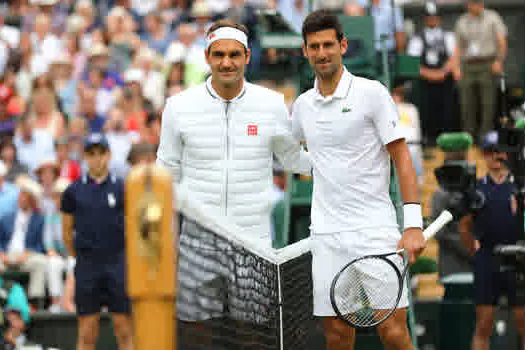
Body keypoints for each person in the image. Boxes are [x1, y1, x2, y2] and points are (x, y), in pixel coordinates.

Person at [291, 10, 425, 350]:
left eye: (328, 45)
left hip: (375, 232)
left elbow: (402, 159)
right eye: (314, 47)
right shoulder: (302, 106)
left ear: (342, 45)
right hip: (326, 236)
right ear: (305, 51)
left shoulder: (372, 93)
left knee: (394, 334)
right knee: (336, 337)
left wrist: (412, 225)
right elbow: (293, 154)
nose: (321, 53)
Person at [157, 19, 311, 238]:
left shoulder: (271, 104)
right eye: (219, 55)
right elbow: (165, 173)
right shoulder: (178, 106)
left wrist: (343, 160)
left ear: (247, 57)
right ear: (207, 57)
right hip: (198, 244)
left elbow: (293, 159)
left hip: (255, 243)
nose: (226, 63)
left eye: (234, 55)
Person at [61, 133, 132, 350]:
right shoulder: (73, 191)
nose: (97, 158)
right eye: (91, 154)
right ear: (85, 157)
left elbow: (131, 227)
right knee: (87, 331)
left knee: (124, 329)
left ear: (109, 155)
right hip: (87, 265)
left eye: (101, 153)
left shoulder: (123, 188)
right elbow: (66, 233)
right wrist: (82, 255)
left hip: (117, 263)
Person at [459, 131, 525, 350]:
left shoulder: (520, 186)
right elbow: (465, 225)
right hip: (488, 258)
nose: (495, 156)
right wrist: (476, 253)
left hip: (519, 259)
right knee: (483, 324)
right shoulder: (476, 188)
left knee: (523, 323)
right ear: (483, 155)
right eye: (489, 151)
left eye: (499, 151)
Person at [452, 0, 507, 143]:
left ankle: (485, 140)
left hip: (487, 63)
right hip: (468, 65)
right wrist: (456, 67)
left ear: (482, 4)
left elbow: (501, 40)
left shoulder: (492, 17)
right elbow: (458, 46)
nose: (474, 5)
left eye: (477, 2)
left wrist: (499, 60)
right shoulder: (461, 21)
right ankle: (468, 139)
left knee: (488, 104)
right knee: (466, 104)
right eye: (471, 3)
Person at [407, 2, 458, 145]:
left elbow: (454, 57)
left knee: (447, 112)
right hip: (425, 82)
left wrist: (442, 73)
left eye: (435, 17)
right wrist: (431, 74)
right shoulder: (417, 38)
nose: (432, 20)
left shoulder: (448, 36)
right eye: (429, 17)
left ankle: (447, 141)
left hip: (444, 81)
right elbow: (413, 63)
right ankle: (428, 142)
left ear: (440, 18)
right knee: (425, 113)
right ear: (424, 19)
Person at [0, 176, 47, 310]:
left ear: (32, 200)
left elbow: (40, 245)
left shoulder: (39, 219)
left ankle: (34, 303)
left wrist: (27, 253)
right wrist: (2, 254)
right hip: (6, 255)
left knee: (41, 263)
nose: (21, 198)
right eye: (21, 195)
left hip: (26, 256)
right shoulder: (6, 217)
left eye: (25, 196)